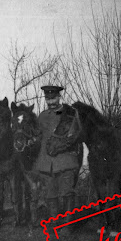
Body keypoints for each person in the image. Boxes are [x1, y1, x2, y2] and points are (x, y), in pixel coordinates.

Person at [35, 85, 81, 221]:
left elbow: (76, 135)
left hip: (65, 160)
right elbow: (37, 136)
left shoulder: (71, 114)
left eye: (53, 98)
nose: (51, 102)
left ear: (59, 97)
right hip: (46, 164)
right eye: (48, 99)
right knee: (50, 194)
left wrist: (62, 145)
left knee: (67, 193)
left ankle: (67, 225)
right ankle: (55, 222)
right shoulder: (42, 116)